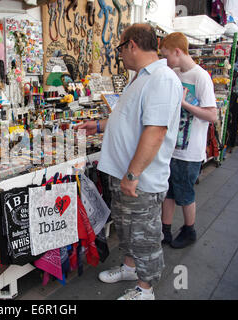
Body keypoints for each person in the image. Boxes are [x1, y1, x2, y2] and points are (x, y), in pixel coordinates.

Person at [76, 23, 182, 300]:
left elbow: (155, 131)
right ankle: (130, 268)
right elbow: (128, 120)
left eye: (120, 48)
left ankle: (146, 288)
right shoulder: (141, 78)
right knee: (127, 229)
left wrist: (133, 175)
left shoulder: (161, 78)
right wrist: (98, 126)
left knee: (144, 235)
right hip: (123, 173)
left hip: (141, 180)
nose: (119, 54)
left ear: (132, 45)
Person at [159, 32, 217, 249]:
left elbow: (212, 115)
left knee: (185, 192)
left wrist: (184, 104)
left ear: (177, 51)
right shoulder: (173, 72)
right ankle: (165, 230)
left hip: (190, 149)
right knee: (169, 191)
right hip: (171, 146)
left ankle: (189, 229)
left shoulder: (200, 77)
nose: (166, 61)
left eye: (167, 55)